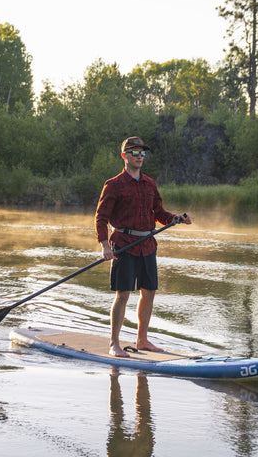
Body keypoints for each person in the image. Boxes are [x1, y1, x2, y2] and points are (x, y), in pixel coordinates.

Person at [95, 136, 191, 357]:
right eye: (134, 152)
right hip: (123, 245)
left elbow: (159, 213)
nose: (139, 156)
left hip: (147, 244)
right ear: (124, 156)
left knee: (149, 292)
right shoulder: (113, 185)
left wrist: (176, 218)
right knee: (123, 294)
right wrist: (104, 245)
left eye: (142, 153)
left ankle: (142, 340)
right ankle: (114, 344)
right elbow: (101, 218)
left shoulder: (150, 184)